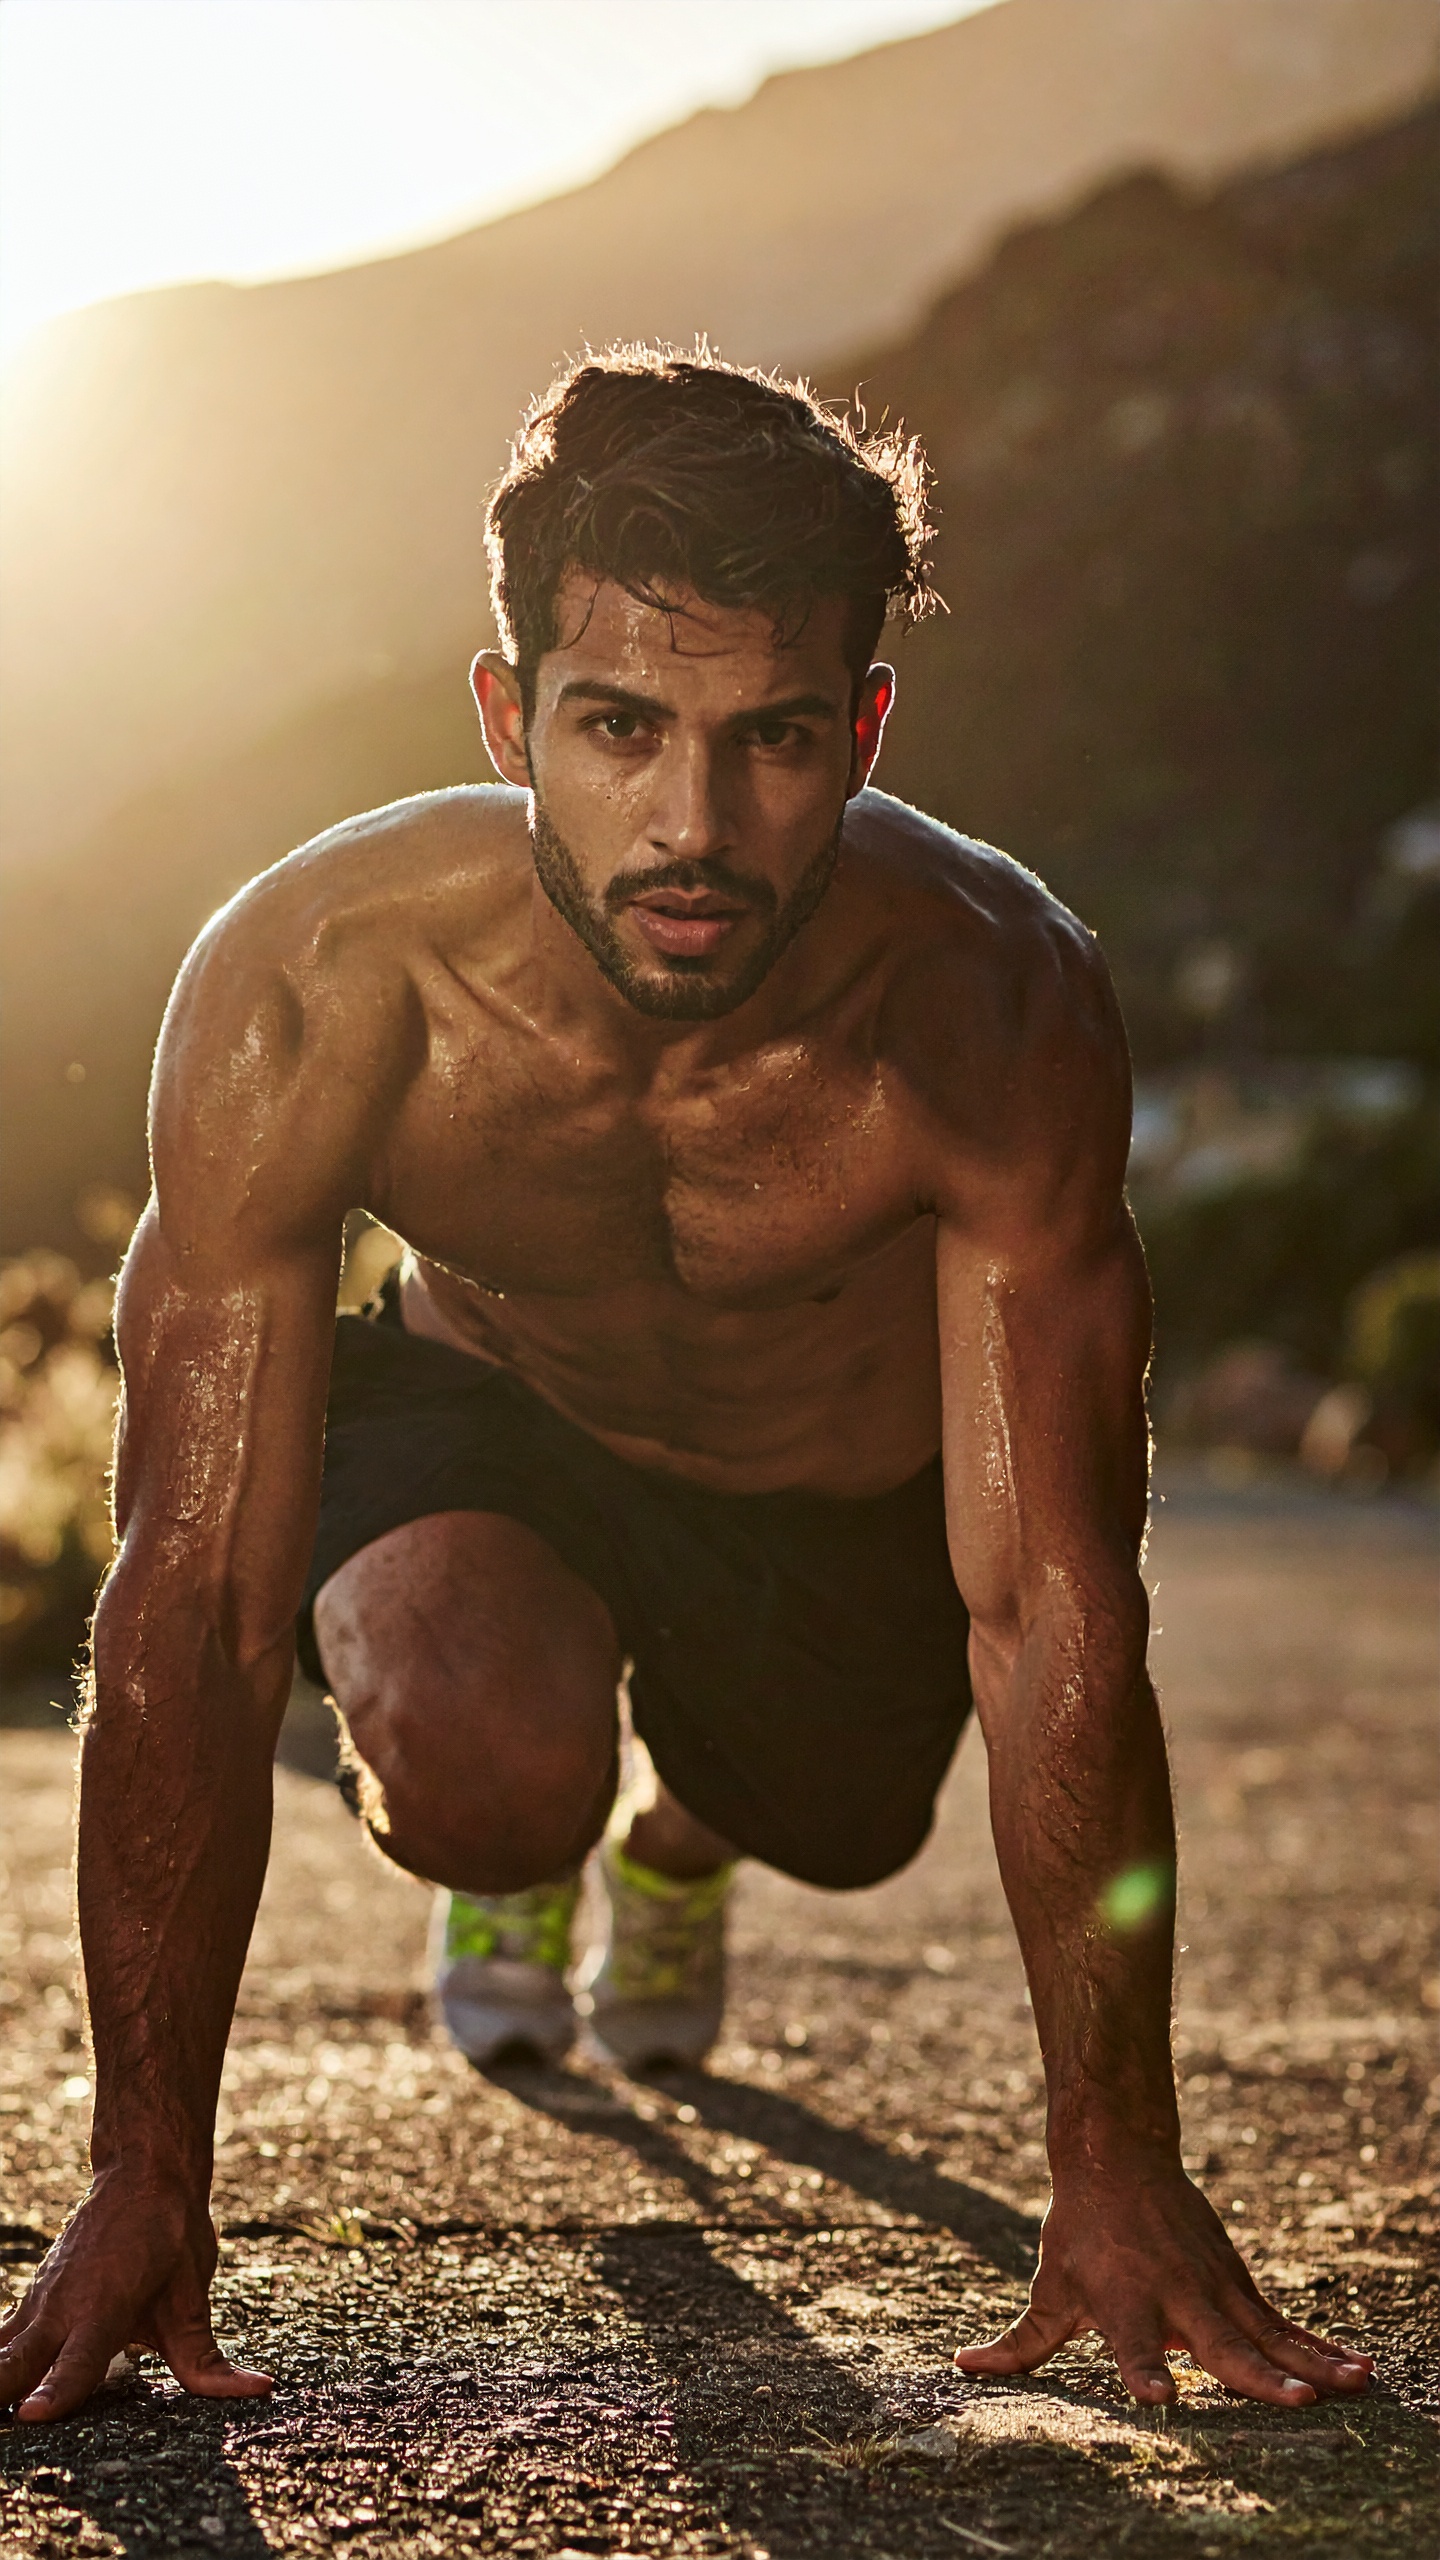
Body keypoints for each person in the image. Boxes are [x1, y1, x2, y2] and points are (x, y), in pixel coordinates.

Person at [1, 348, 1372, 2425]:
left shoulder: (991, 1000)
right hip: (494, 1424)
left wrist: (1121, 2161)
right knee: (480, 1758)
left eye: (774, 741)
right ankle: (540, 1818)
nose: (693, 824)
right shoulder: (322, 978)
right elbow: (188, 1589)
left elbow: (1054, 1593)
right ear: (506, 717)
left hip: (821, 1497)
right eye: (617, 725)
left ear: (867, 729)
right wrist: (138, 2171)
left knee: (836, 1817)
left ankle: (677, 1840)